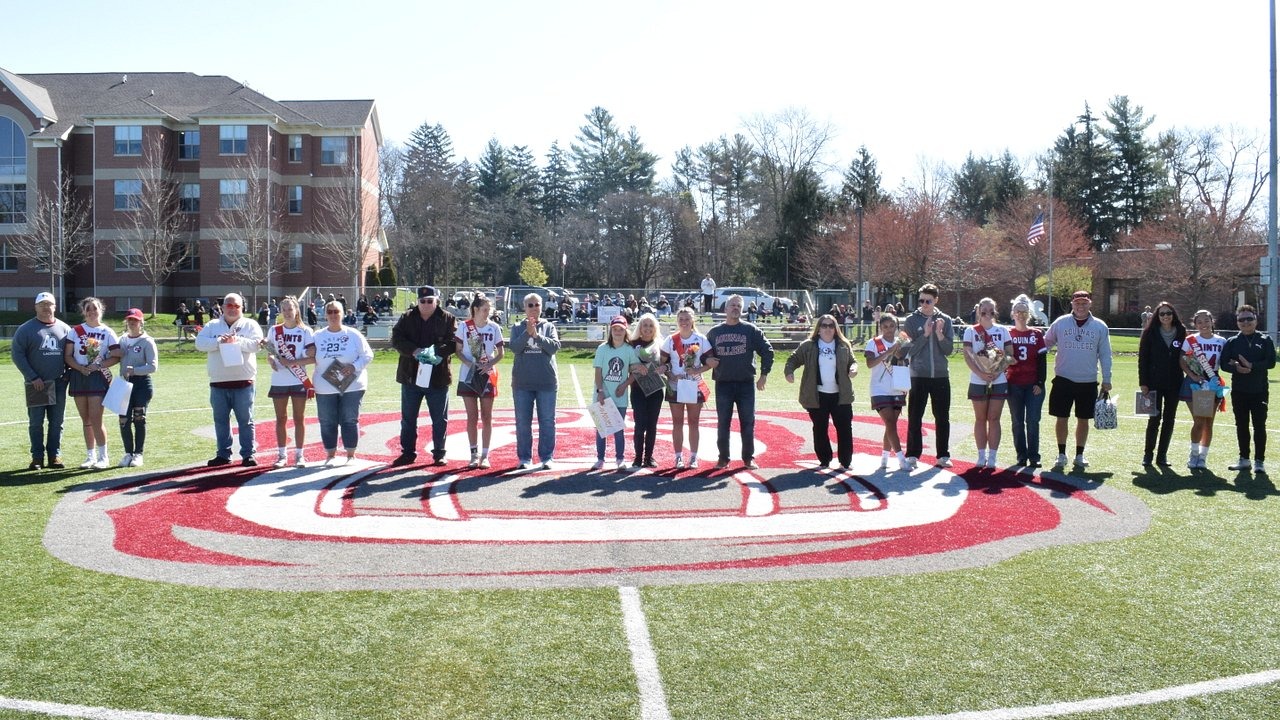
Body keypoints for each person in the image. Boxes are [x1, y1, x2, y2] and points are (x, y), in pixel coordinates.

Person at [1043, 290, 1113, 470]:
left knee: (1083, 419)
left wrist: (1107, 378)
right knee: (1061, 417)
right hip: (1063, 379)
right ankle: (1061, 454)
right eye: (1077, 303)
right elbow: (1045, 343)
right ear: (1072, 304)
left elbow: (1105, 354)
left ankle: (1079, 455)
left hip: (1088, 381)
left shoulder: (1099, 326)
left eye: (1084, 303)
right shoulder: (1060, 323)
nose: (1080, 306)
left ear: (1090, 304)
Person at [195, 292, 264, 466]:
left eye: (236, 306)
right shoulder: (212, 325)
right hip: (218, 381)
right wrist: (219, 341)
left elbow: (257, 345)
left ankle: (248, 454)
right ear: (223, 307)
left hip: (244, 381)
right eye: (229, 305)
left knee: (246, 420)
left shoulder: (250, 324)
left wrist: (237, 340)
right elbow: (199, 344)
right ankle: (223, 453)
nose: (232, 309)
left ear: (242, 308)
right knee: (220, 420)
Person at [391, 286, 457, 467]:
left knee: (439, 419)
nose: (426, 304)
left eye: (430, 301)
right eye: (423, 301)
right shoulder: (406, 317)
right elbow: (396, 339)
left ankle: (439, 453)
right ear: (418, 302)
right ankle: (408, 453)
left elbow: (454, 342)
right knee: (408, 418)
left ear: (437, 301)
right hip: (411, 376)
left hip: (438, 377)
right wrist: (415, 351)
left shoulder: (448, 318)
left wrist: (435, 352)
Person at [706, 294, 774, 470]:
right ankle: (723, 458)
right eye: (732, 305)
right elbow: (704, 355)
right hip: (723, 383)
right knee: (723, 422)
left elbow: (767, 351)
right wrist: (706, 362)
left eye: (738, 305)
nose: (735, 308)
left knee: (748, 421)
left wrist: (764, 374)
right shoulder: (714, 333)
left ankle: (748, 458)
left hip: (745, 384)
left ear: (742, 309)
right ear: (726, 308)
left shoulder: (751, 330)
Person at [784, 314, 858, 469]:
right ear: (818, 329)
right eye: (824, 325)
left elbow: (853, 361)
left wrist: (853, 368)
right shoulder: (808, 346)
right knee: (819, 428)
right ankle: (824, 459)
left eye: (831, 326)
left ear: (836, 328)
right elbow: (793, 359)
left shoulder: (844, 345)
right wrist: (789, 372)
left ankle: (845, 461)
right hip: (816, 396)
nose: (828, 329)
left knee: (845, 428)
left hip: (841, 396)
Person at [13, 292, 71, 470]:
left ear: (55, 306)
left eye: (49, 304)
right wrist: (33, 377)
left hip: (58, 383)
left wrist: (68, 373)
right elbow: (18, 355)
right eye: (42, 304)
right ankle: (37, 457)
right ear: (35, 307)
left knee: (57, 422)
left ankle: (55, 456)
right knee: (36, 423)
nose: (46, 307)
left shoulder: (65, 329)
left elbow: (72, 354)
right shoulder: (26, 329)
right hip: (37, 384)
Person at [313, 300, 374, 466]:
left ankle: (350, 454)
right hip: (325, 386)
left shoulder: (353, 334)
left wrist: (354, 367)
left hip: (353, 385)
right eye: (330, 312)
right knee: (327, 420)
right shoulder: (317, 336)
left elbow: (368, 355)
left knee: (349, 419)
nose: (333, 315)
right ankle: (331, 455)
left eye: (336, 311)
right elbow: (306, 354)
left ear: (343, 313)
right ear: (325, 315)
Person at [64, 297, 122, 469]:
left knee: (96, 418)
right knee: (86, 419)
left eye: (95, 308)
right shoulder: (75, 331)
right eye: (88, 309)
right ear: (84, 312)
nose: (91, 312)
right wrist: (80, 368)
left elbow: (117, 355)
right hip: (79, 376)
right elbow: (67, 356)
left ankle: (104, 457)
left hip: (98, 377)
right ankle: (90, 456)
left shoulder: (108, 332)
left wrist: (99, 365)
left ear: (100, 310)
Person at [903, 283, 955, 470]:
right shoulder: (911, 320)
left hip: (941, 376)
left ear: (936, 301)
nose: (924, 304)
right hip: (918, 375)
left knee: (942, 417)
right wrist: (925, 334)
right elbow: (908, 351)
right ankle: (912, 455)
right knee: (915, 416)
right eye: (921, 300)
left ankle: (943, 455)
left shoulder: (946, 319)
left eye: (928, 301)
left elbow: (949, 350)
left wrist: (940, 335)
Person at [1222, 304, 1276, 473]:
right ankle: (1244, 459)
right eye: (1241, 320)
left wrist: (1252, 365)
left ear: (1256, 320)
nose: (1245, 322)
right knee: (1242, 425)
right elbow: (1224, 363)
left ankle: (1259, 461)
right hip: (1239, 391)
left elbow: (1271, 362)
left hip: (1259, 390)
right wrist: (1237, 368)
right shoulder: (1232, 342)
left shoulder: (1265, 340)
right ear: (1237, 322)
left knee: (1259, 425)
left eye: (1249, 319)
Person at [510, 292, 562, 470]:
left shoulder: (549, 327)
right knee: (523, 422)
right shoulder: (517, 327)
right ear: (524, 308)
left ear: (542, 306)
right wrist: (527, 333)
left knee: (547, 421)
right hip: (522, 383)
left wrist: (537, 336)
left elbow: (554, 348)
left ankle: (547, 457)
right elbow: (515, 348)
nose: (533, 308)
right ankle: (524, 457)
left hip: (546, 382)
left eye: (536, 304)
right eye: (530, 305)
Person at [962, 297, 1014, 469]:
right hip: (978, 380)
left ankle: (993, 456)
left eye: (991, 311)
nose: (987, 314)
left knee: (994, 418)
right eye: (983, 311)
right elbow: (968, 356)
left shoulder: (1003, 330)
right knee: (980, 418)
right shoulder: (971, 331)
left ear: (995, 312)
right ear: (978, 312)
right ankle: (980, 455)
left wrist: (997, 371)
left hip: (998, 380)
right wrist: (981, 373)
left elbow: (1009, 355)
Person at [264, 296, 315, 468]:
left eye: (290, 309)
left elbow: (313, 358)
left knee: (299, 418)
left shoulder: (306, 331)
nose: (287, 313)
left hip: (299, 379)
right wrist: (271, 359)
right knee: (280, 418)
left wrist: (292, 363)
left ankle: (300, 455)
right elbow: (270, 351)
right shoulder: (274, 330)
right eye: (284, 309)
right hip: (279, 380)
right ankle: (281, 455)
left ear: (296, 310)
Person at [455, 295, 504, 469]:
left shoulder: (494, 327)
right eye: (485, 309)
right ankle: (473, 454)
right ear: (475, 309)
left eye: (489, 309)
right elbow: (458, 350)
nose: (488, 312)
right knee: (472, 416)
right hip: (468, 376)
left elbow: (501, 353)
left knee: (487, 416)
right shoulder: (464, 326)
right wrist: (469, 363)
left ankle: (485, 455)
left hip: (487, 375)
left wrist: (489, 364)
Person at [661, 306, 713, 469]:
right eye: (681, 319)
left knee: (693, 422)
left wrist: (697, 370)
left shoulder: (701, 339)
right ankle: (678, 457)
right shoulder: (670, 340)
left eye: (687, 319)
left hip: (694, 385)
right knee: (677, 422)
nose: (684, 322)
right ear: (677, 321)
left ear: (693, 321)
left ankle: (693, 456)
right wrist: (670, 375)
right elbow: (662, 364)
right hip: (675, 386)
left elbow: (711, 362)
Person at [1137, 302, 1186, 467]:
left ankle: (1162, 456)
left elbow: (1187, 356)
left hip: (1174, 382)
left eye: (1168, 313)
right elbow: (1143, 359)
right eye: (1162, 314)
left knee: (1169, 419)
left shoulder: (1181, 331)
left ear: (1174, 315)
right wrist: (1143, 382)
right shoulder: (1149, 332)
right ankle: (1148, 455)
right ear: (1157, 316)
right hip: (1153, 383)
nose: (1165, 316)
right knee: (1154, 419)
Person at [1179, 309, 1227, 469]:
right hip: (1194, 383)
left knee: (1208, 422)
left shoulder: (1221, 341)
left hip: (1213, 383)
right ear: (1195, 324)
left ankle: (1203, 457)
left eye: (1206, 321)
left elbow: (1226, 361)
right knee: (1199, 420)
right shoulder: (1190, 340)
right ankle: (1193, 454)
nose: (1203, 324)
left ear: (1212, 321)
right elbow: (1182, 360)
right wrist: (1193, 376)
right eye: (1199, 322)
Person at [1007, 294, 1049, 468]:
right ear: (1012, 314)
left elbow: (1042, 361)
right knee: (1017, 421)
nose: (1021, 314)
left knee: (1032, 420)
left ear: (1029, 314)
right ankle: (1021, 455)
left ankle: (1034, 456)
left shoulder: (1037, 334)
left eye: (1024, 312)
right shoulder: (1006, 333)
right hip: (1013, 383)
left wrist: (1040, 383)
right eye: (1018, 311)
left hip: (1033, 385)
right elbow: (1001, 357)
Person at [864, 313, 910, 472]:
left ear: (896, 326)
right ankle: (901, 460)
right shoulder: (874, 343)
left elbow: (906, 363)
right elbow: (870, 364)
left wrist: (900, 355)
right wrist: (888, 352)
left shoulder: (903, 342)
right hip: (879, 388)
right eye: (885, 327)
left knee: (891, 425)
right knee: (890, 423)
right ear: (880, 327)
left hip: (898, 387)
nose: (889, 330)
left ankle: (884, 457)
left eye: (892, 326)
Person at [592, 316, 639, 471]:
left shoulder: (629, 349)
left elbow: (635, 371)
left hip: (620, 397)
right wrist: (600, 391)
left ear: (625, 331)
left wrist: (624, 385)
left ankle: (620, 458)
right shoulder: (602, 349)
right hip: (603, 396)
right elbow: (598, 372)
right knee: (602, 430)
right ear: (610, 331)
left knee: (618, 430)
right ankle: (600, 459)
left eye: (621, 329)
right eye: (615, 329)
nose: (617, 332)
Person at [116, 308, 158, 468]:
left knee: (139, 418)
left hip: (141, 384)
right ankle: (128, 453)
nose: (132, 323)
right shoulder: (122, 340)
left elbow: (153, 366)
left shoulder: (147, 341)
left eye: (135, 320)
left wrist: (135, 370)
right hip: (124, 383)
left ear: (141, 322)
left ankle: (138, 453)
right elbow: (113, 357)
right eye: (129, 320)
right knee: (123, 420)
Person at [628, 313, 667, 469]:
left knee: (652, 425)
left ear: (655, 328)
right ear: (640, 327)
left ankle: (649, 457)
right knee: (639, 424)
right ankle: (637, 457)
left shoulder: (661, 344)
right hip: (638, 389)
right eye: (645, 325)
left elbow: (668, 364)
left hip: (655, 389)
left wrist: (664, 367)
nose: (648, 328)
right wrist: (636, 367)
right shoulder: (631, 344)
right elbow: (627, 365)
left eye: (651, 325)